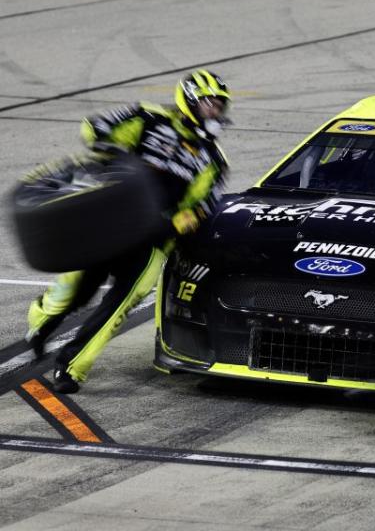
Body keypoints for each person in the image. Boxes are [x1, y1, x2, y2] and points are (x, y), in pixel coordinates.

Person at [25, 69, 232, 393]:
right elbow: (95, 131)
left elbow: (202, 206)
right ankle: (43, 319)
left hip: (153, 240)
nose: (215, 112)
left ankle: (71, 368)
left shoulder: (214, 159)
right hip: (110, 221)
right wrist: (111, 149)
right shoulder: (148, 117)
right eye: (209, 104)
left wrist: (178, 222)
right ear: (189, 100)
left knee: (117, 307)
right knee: (77, 290)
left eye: (219, 106)